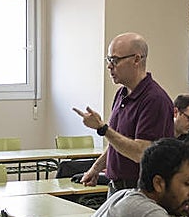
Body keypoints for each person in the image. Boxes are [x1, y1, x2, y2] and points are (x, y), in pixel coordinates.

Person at [74, 32, 174, 192]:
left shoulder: (154, 99)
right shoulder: (122, 94)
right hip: (116, 186)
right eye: (108, 60)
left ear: (136, 59)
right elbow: (118, 142)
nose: (109, 66)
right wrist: (96, 168)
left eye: (115, 60)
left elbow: (140, 153)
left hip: (140, 191)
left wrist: (102, 128)